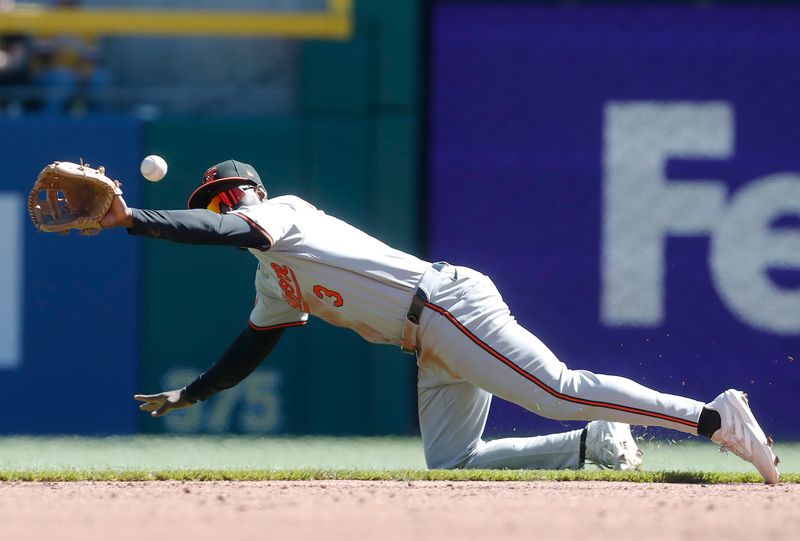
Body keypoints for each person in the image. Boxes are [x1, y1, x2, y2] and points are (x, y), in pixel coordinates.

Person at [100, 159, 780, 482]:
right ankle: (591, 445)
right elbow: (252, 344)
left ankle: (714, 416)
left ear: (242, 195)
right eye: (212, 201)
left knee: (556, 387)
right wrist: (193, 393)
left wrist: (133, 219)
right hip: (427, 337)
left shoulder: (285, 213)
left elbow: (224, 232)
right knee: (451, 459)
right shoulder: (271, 277)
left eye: (221, 198)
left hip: (447, 305)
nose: (218, 207)